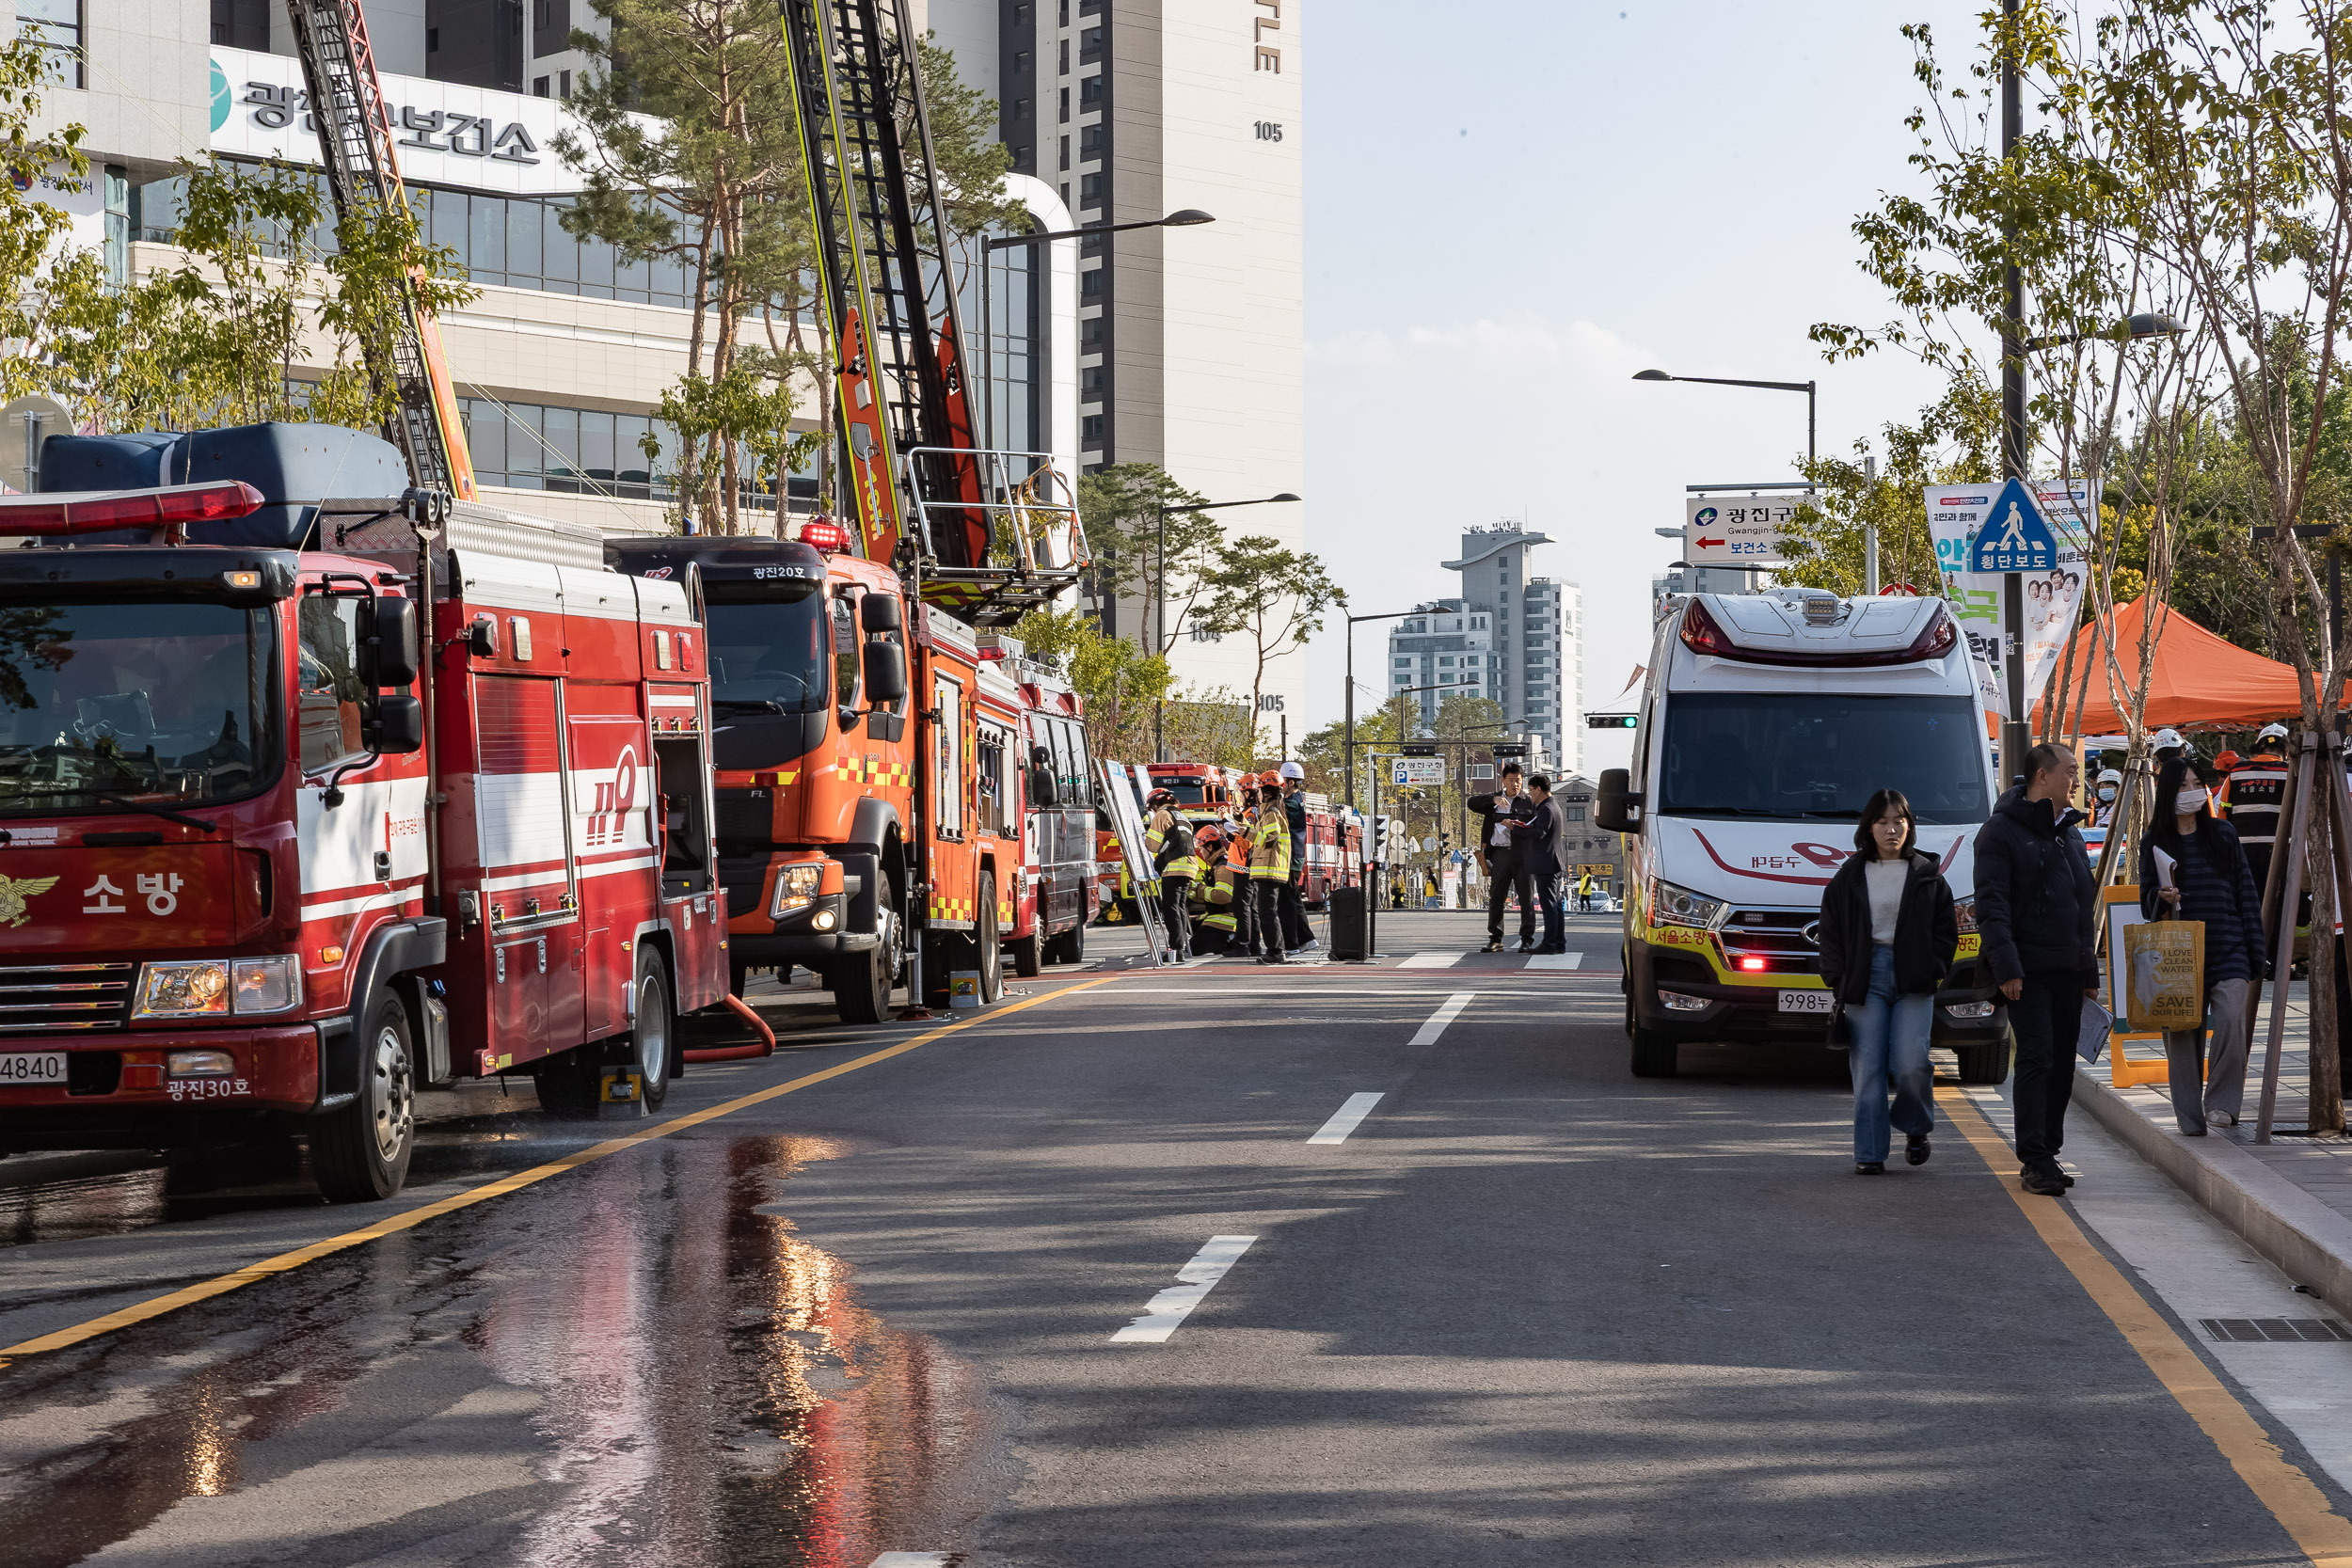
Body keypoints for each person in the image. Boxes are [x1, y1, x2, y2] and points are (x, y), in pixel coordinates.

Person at [1974, 742, 2101, 1196]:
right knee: (2036, 1057)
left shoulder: (2068, 832)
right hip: (2026, 971)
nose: (2076, 781)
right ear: (2042, 777)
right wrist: (2007, 966)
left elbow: (2081, 906)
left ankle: (2048, 1149)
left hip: (2068, 970)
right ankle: (2034, 1158)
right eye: (2069, 772)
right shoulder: (2000, 833)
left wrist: (2090, 975)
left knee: (2063, 1064)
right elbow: (1993, 908)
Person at [1819, 789, 1958, 1175]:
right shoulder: (1849, 876)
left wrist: (1934, 966)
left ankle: (1916, 1128)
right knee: (1868, 1070)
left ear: (1910, 826)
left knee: (1911, 1064)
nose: (1891, 829)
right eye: (1882, 822)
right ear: (1869, 828)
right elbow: (1829, 930)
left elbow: (1947, 931)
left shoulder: (1928, 875)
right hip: (1866, 977)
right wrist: (1837, 976)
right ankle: (1870, 1153)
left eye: (1899, 820)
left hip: (1915, 978)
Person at [2140, 757, 2266, 1135]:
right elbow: (2146, 899)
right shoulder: (2154, 841)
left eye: (2196, 783)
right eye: (2182, 785)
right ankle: (2190, 1120)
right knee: (2182, 1037)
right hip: (2178, 955)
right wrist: (2160, 896)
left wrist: (2255, 950)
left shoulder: (2223, 835)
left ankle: (2223, 1105)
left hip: (2228, 947)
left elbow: (2245, 891)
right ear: (2168, 793)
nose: (2191, 792)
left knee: (2231, 1020)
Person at [1469, 763, 1536, 953]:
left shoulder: (1529, 802)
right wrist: (1494, 800)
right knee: (1497, 896)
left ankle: (1527, 939)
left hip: (1523, 855)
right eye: (1511, 780)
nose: (1515, 784)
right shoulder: (1494, 800)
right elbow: (1472, 803)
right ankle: (1496, 939)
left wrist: (1516, 826)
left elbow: (1537, 827)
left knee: (1526, 897)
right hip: (1500, 854)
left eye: (1519, 781)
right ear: (1503, 780)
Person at [2221, 722, 2290, 901]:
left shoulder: (2236, 772)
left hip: (2242, 850)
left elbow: (2224, 811)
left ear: (2259, 747)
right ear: (2287, 750)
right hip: (2279, 850)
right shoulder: (2291, 773)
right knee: (2277, 902)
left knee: (2248, 900)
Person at [1513, 773, 1568, 954]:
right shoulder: (1553, 806)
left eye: (1531, 790)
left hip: (1546, 862)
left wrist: (1516, 828)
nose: (1530, 795)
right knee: (1556, 904)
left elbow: (1539, 833)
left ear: (1538, 789)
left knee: (1549, 904)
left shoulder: (1546, 808)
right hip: (1553, 861)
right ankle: (1558, 942)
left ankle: (1550, 943)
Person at [1143, 788, 1199, 961]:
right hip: (1189, 867)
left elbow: (1152, 845)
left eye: (1152, 807)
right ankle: (1180, 947)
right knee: (1180, 907)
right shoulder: (1181, 816)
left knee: (1171, 908)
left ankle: (1176, 949)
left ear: (1156, 803)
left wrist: (1145, 835)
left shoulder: (1162, 815)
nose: (1152, 811)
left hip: (1174, 867)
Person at [1247, 776, 1292, 964]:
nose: (1256, 793)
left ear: (1264, 792)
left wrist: (1245, 833)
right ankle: (1275, 950)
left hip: (1269, 868)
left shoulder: (1271, 813)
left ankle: (1275, 951)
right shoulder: (1270, 811)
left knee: (1268, 912)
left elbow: (1270, 839)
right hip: (1269, 868)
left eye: (1258, 790)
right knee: (1268, 911)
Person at [1278, 761, 1317, 953]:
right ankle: (1306, 939)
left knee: (1286, 902)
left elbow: (1277, 812)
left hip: (1290, 857)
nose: (1279, 785)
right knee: (1293, 899)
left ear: (1291, 782)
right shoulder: (1294, 799)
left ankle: (1293, 943)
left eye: (1281, 781)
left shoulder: (1292, 803)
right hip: (1292, 856)